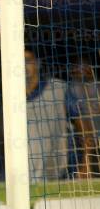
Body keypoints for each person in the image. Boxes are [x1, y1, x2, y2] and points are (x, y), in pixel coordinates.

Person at [24, 49, 71, 181]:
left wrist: (86, 162)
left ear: (38, 63)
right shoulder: (9, 98)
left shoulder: (59, 89)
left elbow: (84, 126)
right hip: (24, 179)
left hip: (57, 177)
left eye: (28, 61)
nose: (23, 66)